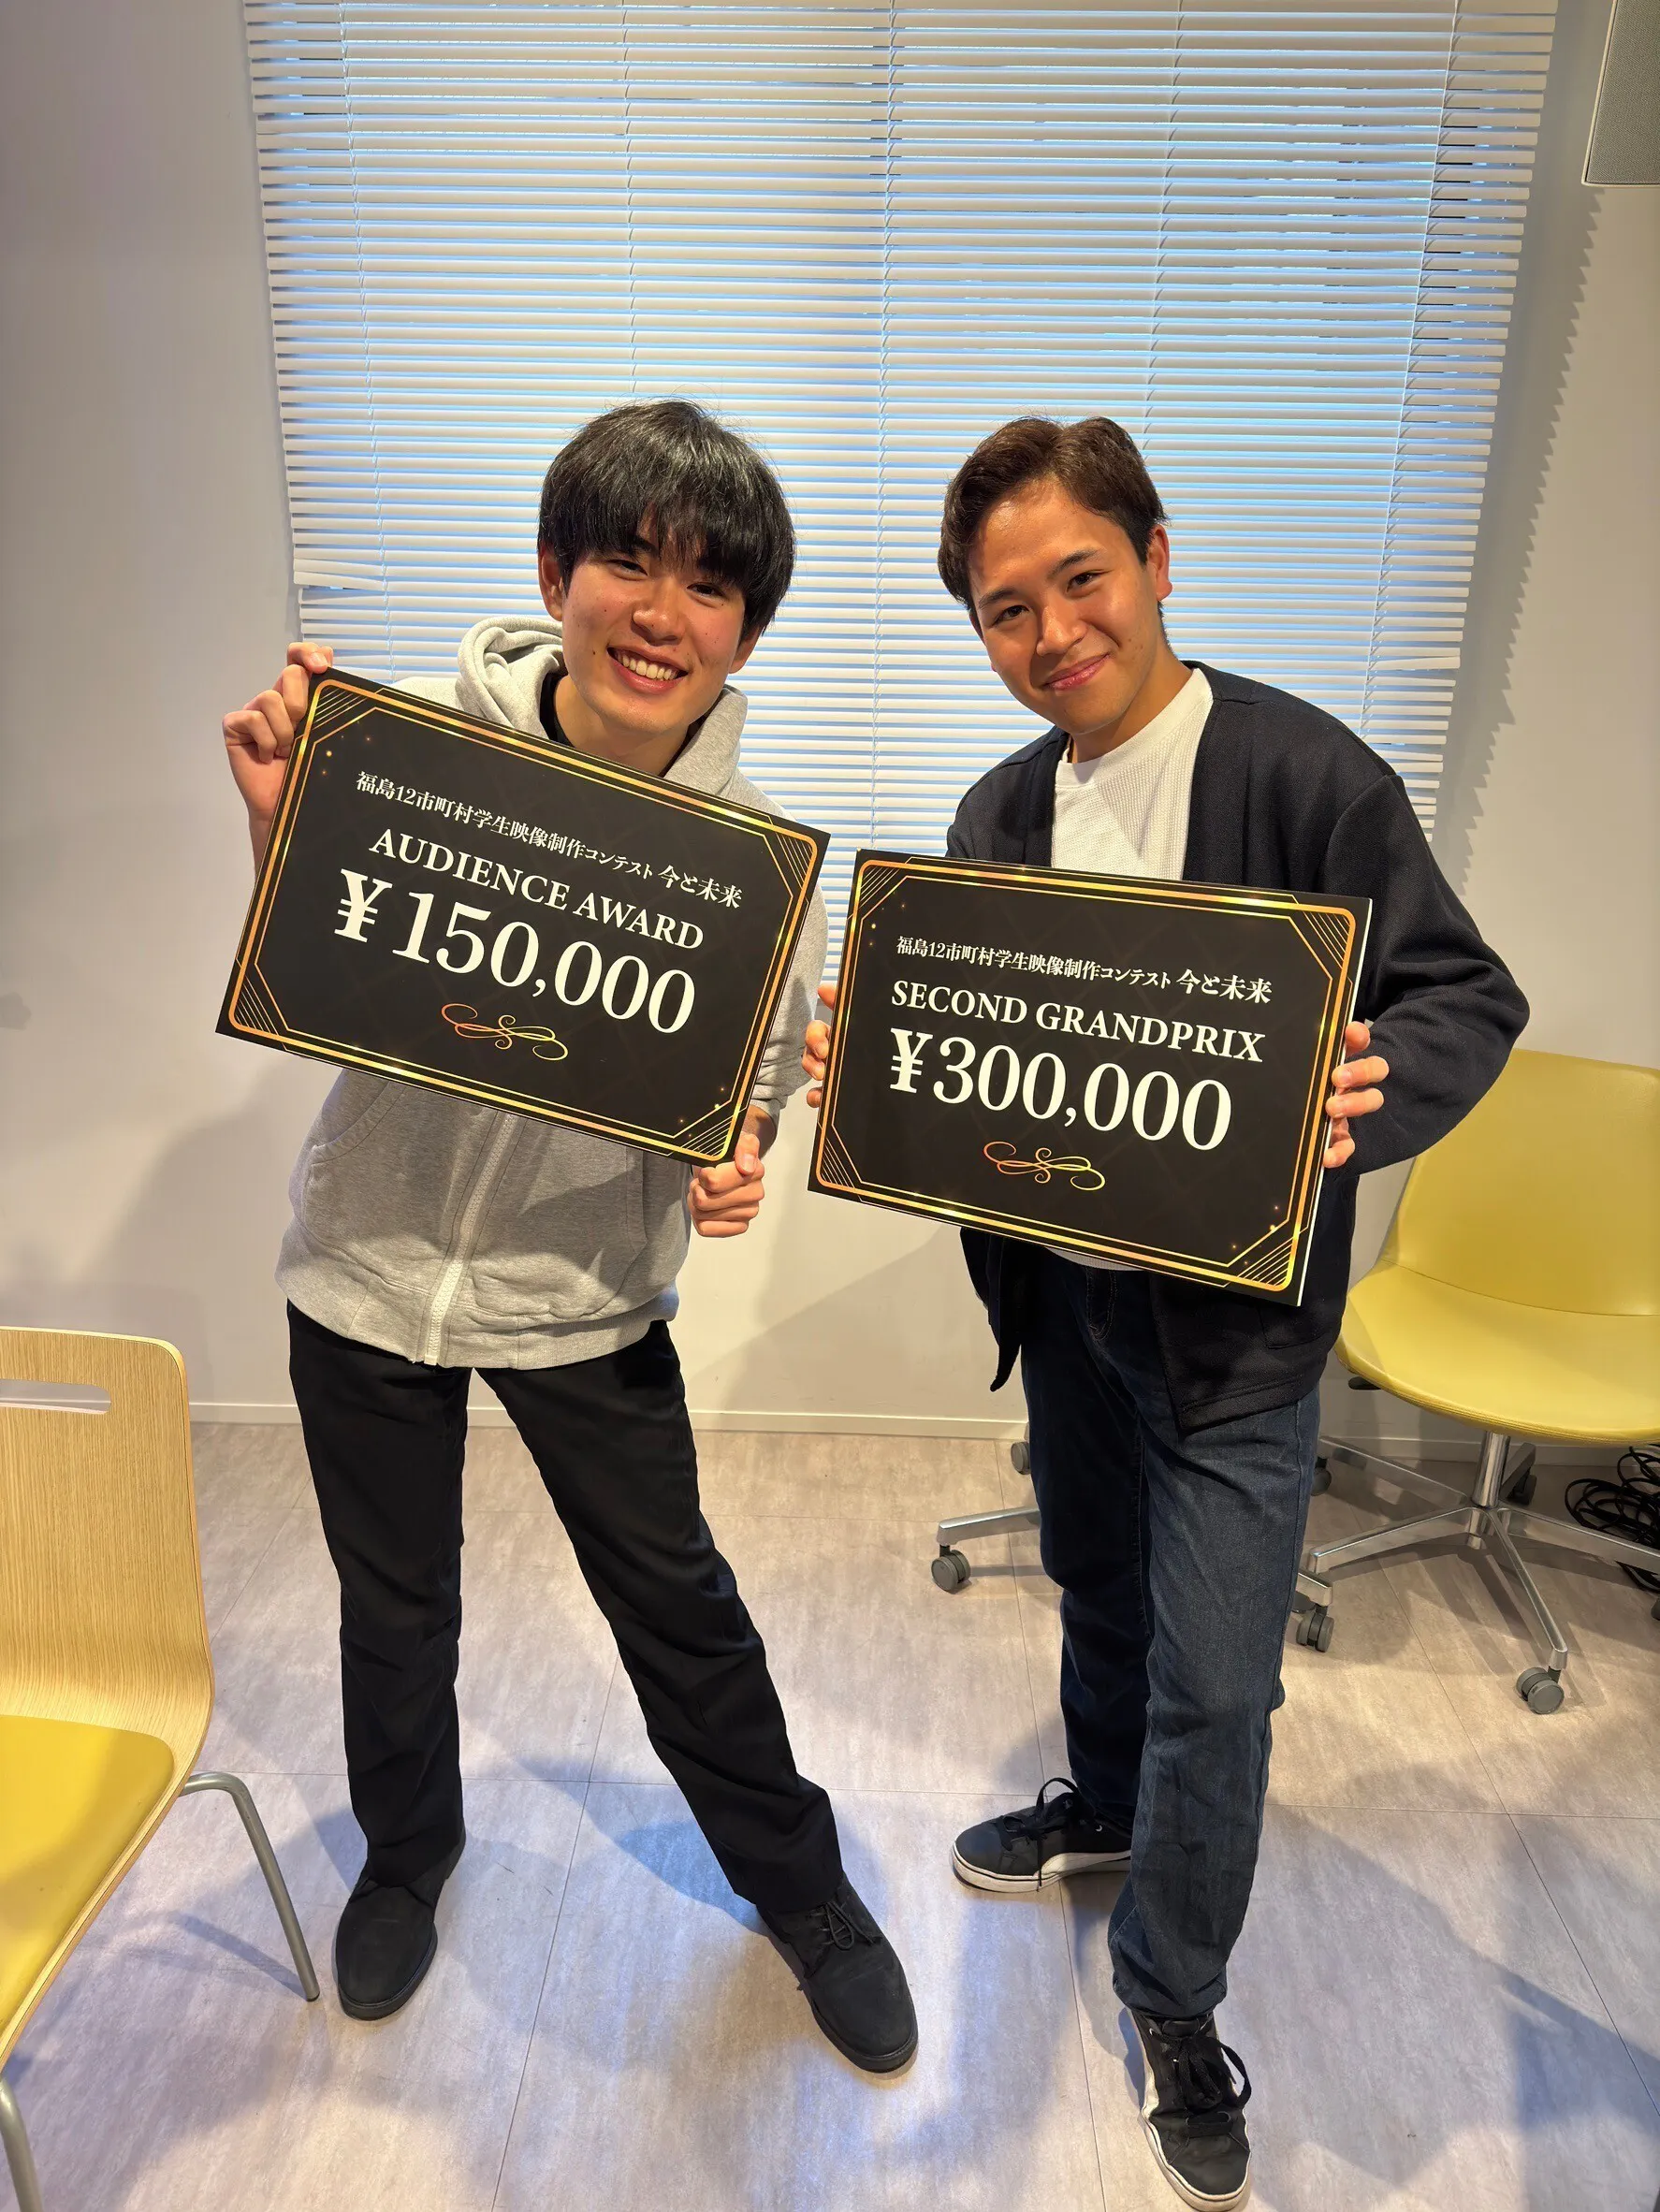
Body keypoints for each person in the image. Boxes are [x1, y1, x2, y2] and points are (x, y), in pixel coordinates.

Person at [805, 415, 1526, 2194]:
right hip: (1065, 1308)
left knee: (1221, 1684)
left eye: (1080, 581)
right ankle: (1106, 1805)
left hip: (1233, 1340)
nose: (1051, 633)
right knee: (1099, 1592)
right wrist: (876, 1062)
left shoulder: (1303, 774)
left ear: (1155, 560)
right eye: (1004, 610)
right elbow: (980, 1053)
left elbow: (1464, 996)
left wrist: (1365, 1084)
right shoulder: (996, 811)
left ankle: (1173, 1994)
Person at [222, 399, 916, 2074]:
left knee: (678, 1608)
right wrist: (276, 823)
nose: (661, 613)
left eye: (709, 585)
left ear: (744, 629)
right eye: (629, 563)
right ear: (557, 577)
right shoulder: (413, 761)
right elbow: (326, 987)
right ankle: (407, 1857)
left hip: (586, 1297)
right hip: (364, 1275)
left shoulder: (754, 867)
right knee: (393, 1609)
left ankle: (802, 1888)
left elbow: (745, 1090)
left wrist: (735, 1163)